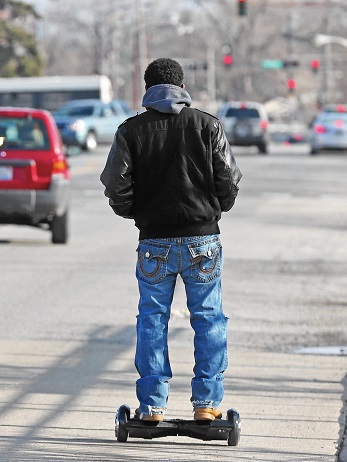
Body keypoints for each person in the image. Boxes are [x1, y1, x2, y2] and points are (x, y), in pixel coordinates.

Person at [100, 58, 242, 422]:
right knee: (208, 318)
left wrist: (134, 212)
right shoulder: (207, 125)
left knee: (152, 320)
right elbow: (229, 178)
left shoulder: (131, 131)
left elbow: (116, 184)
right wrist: (215, 209)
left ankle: (151, 407)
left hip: (155, 242)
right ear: (181, 85)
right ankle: (207, 405)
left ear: (148, 87)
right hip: (203, 240)